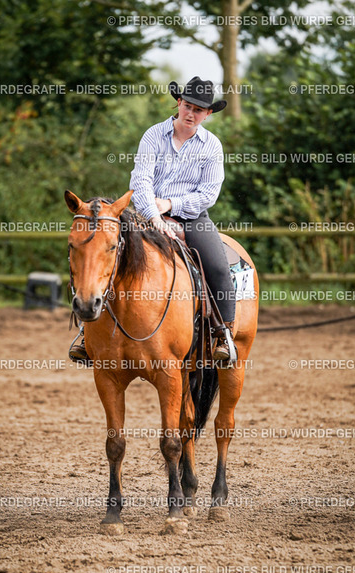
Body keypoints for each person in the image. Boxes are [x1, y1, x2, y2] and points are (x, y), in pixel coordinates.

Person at [69, 76, 236, 364]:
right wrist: (154, 216)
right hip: (146, 215)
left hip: (192, 218)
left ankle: (223, 335)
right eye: (187, 106)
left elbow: (208, 194)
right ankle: (88, 332)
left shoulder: (212, 146)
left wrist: (171, 204)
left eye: (198, 110)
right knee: (104, 252)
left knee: (218, 267)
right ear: (179, 103)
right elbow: (141, 180)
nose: (191, 113)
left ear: (208, 113)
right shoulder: (153, 135)